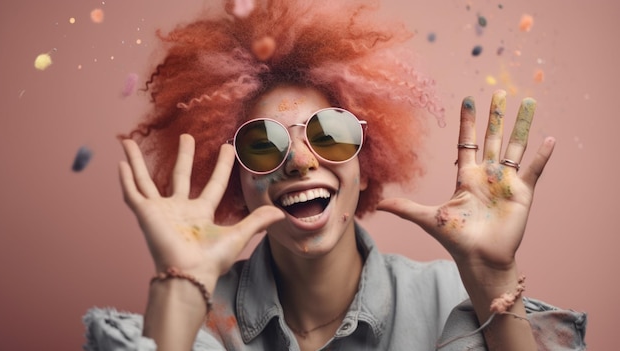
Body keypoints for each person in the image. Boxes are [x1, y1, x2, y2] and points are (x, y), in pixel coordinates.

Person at [83, 0, 587, 350]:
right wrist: (182, 287)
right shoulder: (199, 320)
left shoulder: (454, 302)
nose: (301, 161)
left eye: (329, 134)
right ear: (235, 178)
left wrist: (491, 274)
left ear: (365, 167)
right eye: (263, 144)